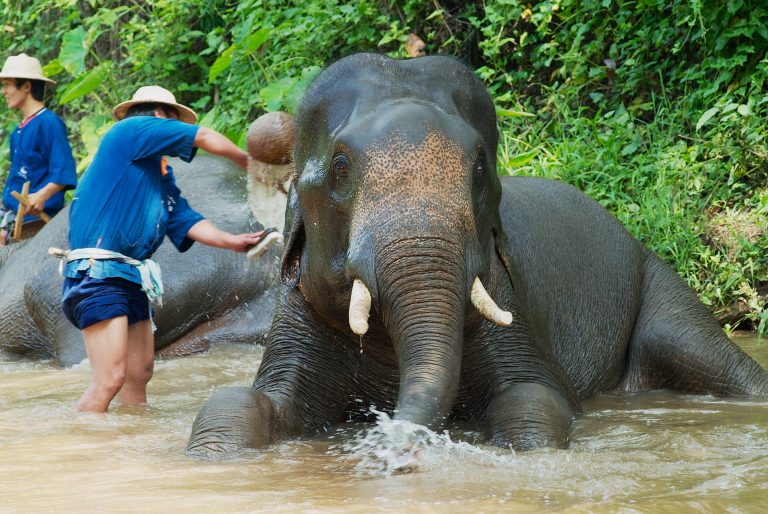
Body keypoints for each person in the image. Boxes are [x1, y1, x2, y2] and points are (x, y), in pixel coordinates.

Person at [58, 85, 278, 413]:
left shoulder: (160, 177)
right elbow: (203, 136)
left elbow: (185, 220)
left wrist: (232, 241)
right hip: (98, 272)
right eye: (174, 122)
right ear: (160, 116)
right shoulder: (130, 131)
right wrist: (249, 162)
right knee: (110, 379)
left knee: (138, 375)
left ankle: (129, 447)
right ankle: (82, 451)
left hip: (131, 277)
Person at [0, 53, 77, 245]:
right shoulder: (18, 131)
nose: (3, 91)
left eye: (7, 84)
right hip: (10, 217)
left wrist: (41, 195)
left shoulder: (49, 123)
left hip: (34, 222)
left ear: (26, 86)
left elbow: (63, 171)